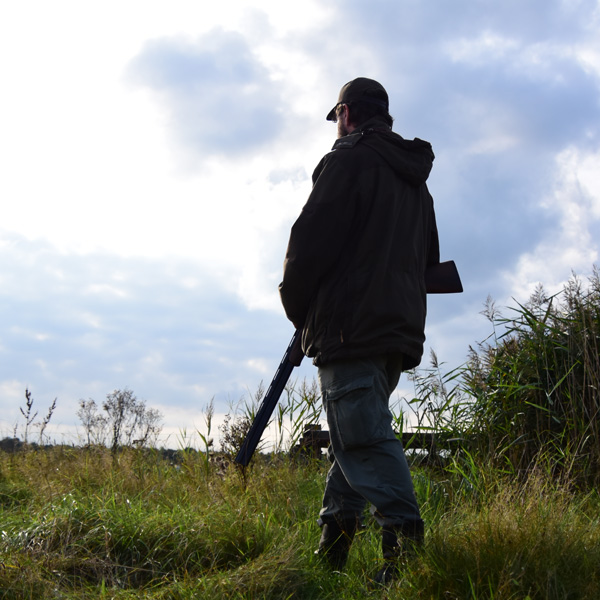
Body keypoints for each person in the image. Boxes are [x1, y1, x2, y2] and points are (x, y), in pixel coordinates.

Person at [278, 77, 440, 584]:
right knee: (355, 437)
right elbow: (428, 258)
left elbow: (308, 243)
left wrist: (299, 307)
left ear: (346, 113)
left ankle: (407, 565)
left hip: (351, 327)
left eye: (337, 118)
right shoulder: (414, 180)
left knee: (363, 439)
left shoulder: (348, 159)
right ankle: (332, 561)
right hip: (396, 329)